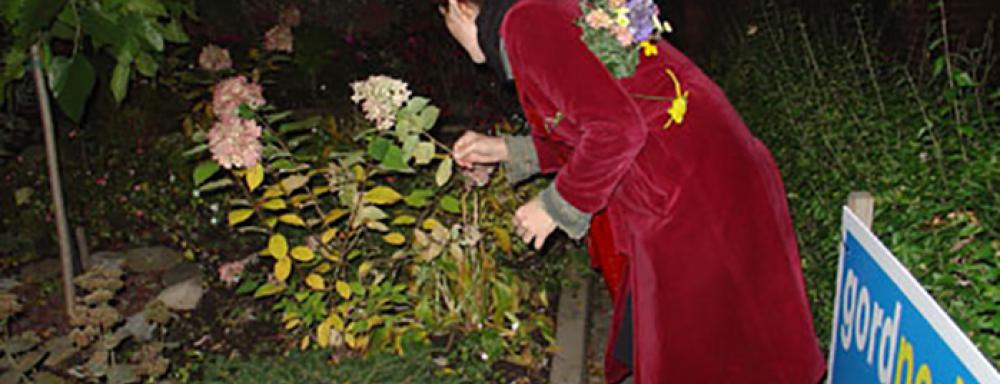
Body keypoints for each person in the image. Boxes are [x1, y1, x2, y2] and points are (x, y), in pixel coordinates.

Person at [441, 0, 827, 382]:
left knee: (709, 351)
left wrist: (555, 207)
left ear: (460, 8)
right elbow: (590, 124)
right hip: (694, 176)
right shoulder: (536, 16)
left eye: (445, 23)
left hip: (692, 191)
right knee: (712, 342)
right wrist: (506, 151)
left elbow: (616, 130)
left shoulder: (525, 22)